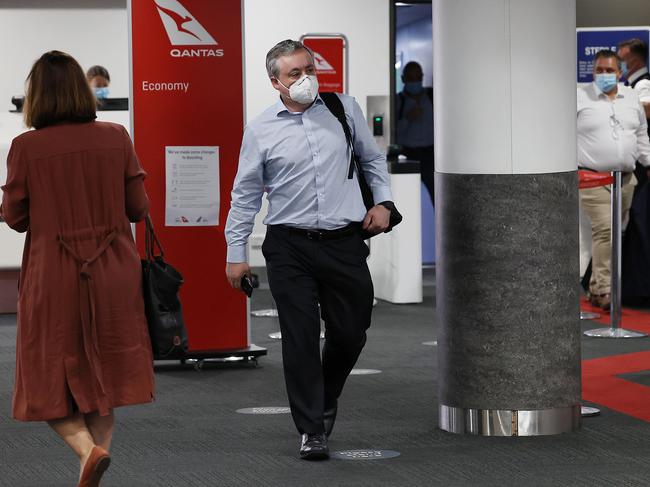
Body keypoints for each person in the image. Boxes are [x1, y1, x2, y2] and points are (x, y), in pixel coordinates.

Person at [225, 39, 393, 460]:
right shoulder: (261, 129)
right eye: (294, 74)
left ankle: (324, 395)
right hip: (289, 246)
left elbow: (372, 161)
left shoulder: (343, 108)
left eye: (308, 69)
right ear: (275, 82)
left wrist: (384, 202)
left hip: (344, 242)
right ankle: (311, 428)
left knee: (351, 332)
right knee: (299, 338)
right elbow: (245, 194)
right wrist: (236, 251)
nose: (305, 79)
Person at [0, 51, 154, 486]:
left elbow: (16, 216)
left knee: (46, 375)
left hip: (54, 272)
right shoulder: (116, 136)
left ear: (36, 96)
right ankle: (92, 464)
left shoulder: (26, 147)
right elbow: (137, 208)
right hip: (113, 271)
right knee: (104, 373)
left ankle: (87, 452)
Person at [577, 49, 650, 310]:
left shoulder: (630, 97)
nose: (604, 75)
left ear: (620, 72)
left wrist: (648, 162)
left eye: (610, 71)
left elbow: (641, 134)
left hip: (626, 179)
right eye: (599, 71)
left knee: (614, 233)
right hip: (591, 177)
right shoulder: (578, 97)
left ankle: (597, 287)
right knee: (605, 229)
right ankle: (606, 290)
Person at [395, 61, 434, 205]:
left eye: (418, 77)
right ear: (403, 79)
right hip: (407, 154)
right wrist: (408, 118)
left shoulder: (432, 97)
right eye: (411, 78)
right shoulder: (397, 102)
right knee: (405, 198)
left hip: (431, 155)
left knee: (437, 196)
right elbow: (391, 132)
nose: (415, 81)